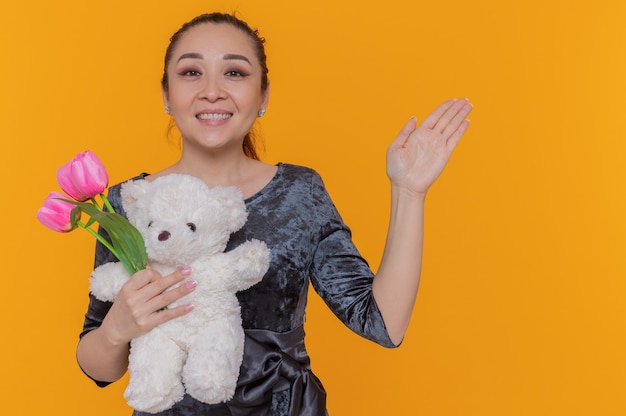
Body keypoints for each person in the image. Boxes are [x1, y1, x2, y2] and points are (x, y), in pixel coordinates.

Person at [76, 12, 472, 416]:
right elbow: (97, 365)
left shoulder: (299, 193)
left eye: (234, 72)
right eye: (191, 72)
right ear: (166, 94)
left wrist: (408, 192)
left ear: (263, 95)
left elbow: (382, 323)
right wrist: (117, 330)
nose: (212, 91)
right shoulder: (130, 204)